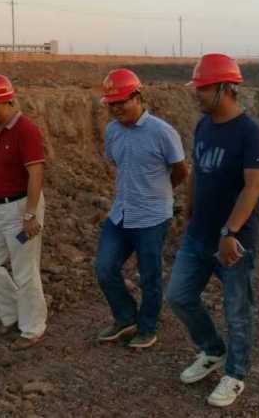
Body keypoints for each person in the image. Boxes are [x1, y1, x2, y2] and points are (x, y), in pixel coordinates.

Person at [166, 54, 259, 408]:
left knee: (237, 310)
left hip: (234, 241)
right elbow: (197, 170)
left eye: (203, 88)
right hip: (199, 234)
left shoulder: (251, 133)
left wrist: (230, 232)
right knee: (179, 296)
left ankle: (236, 373)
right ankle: (212, 350)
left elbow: (253, 187)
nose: (196, 93)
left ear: (226, 88)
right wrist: (188, 210)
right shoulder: (203, 126)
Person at [94, 69, 187, 349]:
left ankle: (147, 327)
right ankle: (125, 318)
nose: (116, 109)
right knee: (104, 268)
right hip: (121, 212)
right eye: (111, 104)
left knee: (149, 276)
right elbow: (118, 163)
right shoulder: (112, 131)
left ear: (138, 97)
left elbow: (181, 171)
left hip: (152, 217)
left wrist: (160, 193)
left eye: (121, 102)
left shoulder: (162, 132)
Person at [0, 74, 48, 350]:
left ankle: (33, 328)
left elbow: (36, 173)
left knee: (24, 270)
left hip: (20, 209)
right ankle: (16, 314)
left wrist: (30, 215)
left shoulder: (26, 130)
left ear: (4, 101)